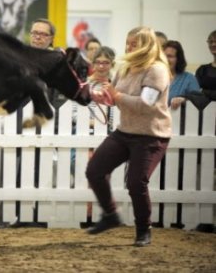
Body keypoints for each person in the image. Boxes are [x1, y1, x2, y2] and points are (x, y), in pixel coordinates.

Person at [86, 26, 171, 247]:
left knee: (135, 183)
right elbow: (114, 98)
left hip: (151, 136)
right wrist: (99, 96)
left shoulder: (157, 70)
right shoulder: (125, 68)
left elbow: (145, 104)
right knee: (94, 170)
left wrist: (116, 95)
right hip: (125, 132)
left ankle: (144, 230)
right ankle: (111, 215)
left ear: (147, 45)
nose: (129, 47)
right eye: (128, 42)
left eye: (134, 43)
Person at [164, 40, 201, 110]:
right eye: (164, 56)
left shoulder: (189, 78)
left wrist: (185, 99)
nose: (166, 59)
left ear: (178, 59)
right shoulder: (153, 77)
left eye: (170, 56)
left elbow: (198, 100)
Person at [195, 30, 216, 101]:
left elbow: (202, 93)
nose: (213, 44)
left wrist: (205, 92)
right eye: (211, 42)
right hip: (204, 110)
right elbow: (195, 93)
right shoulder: (202, 70)